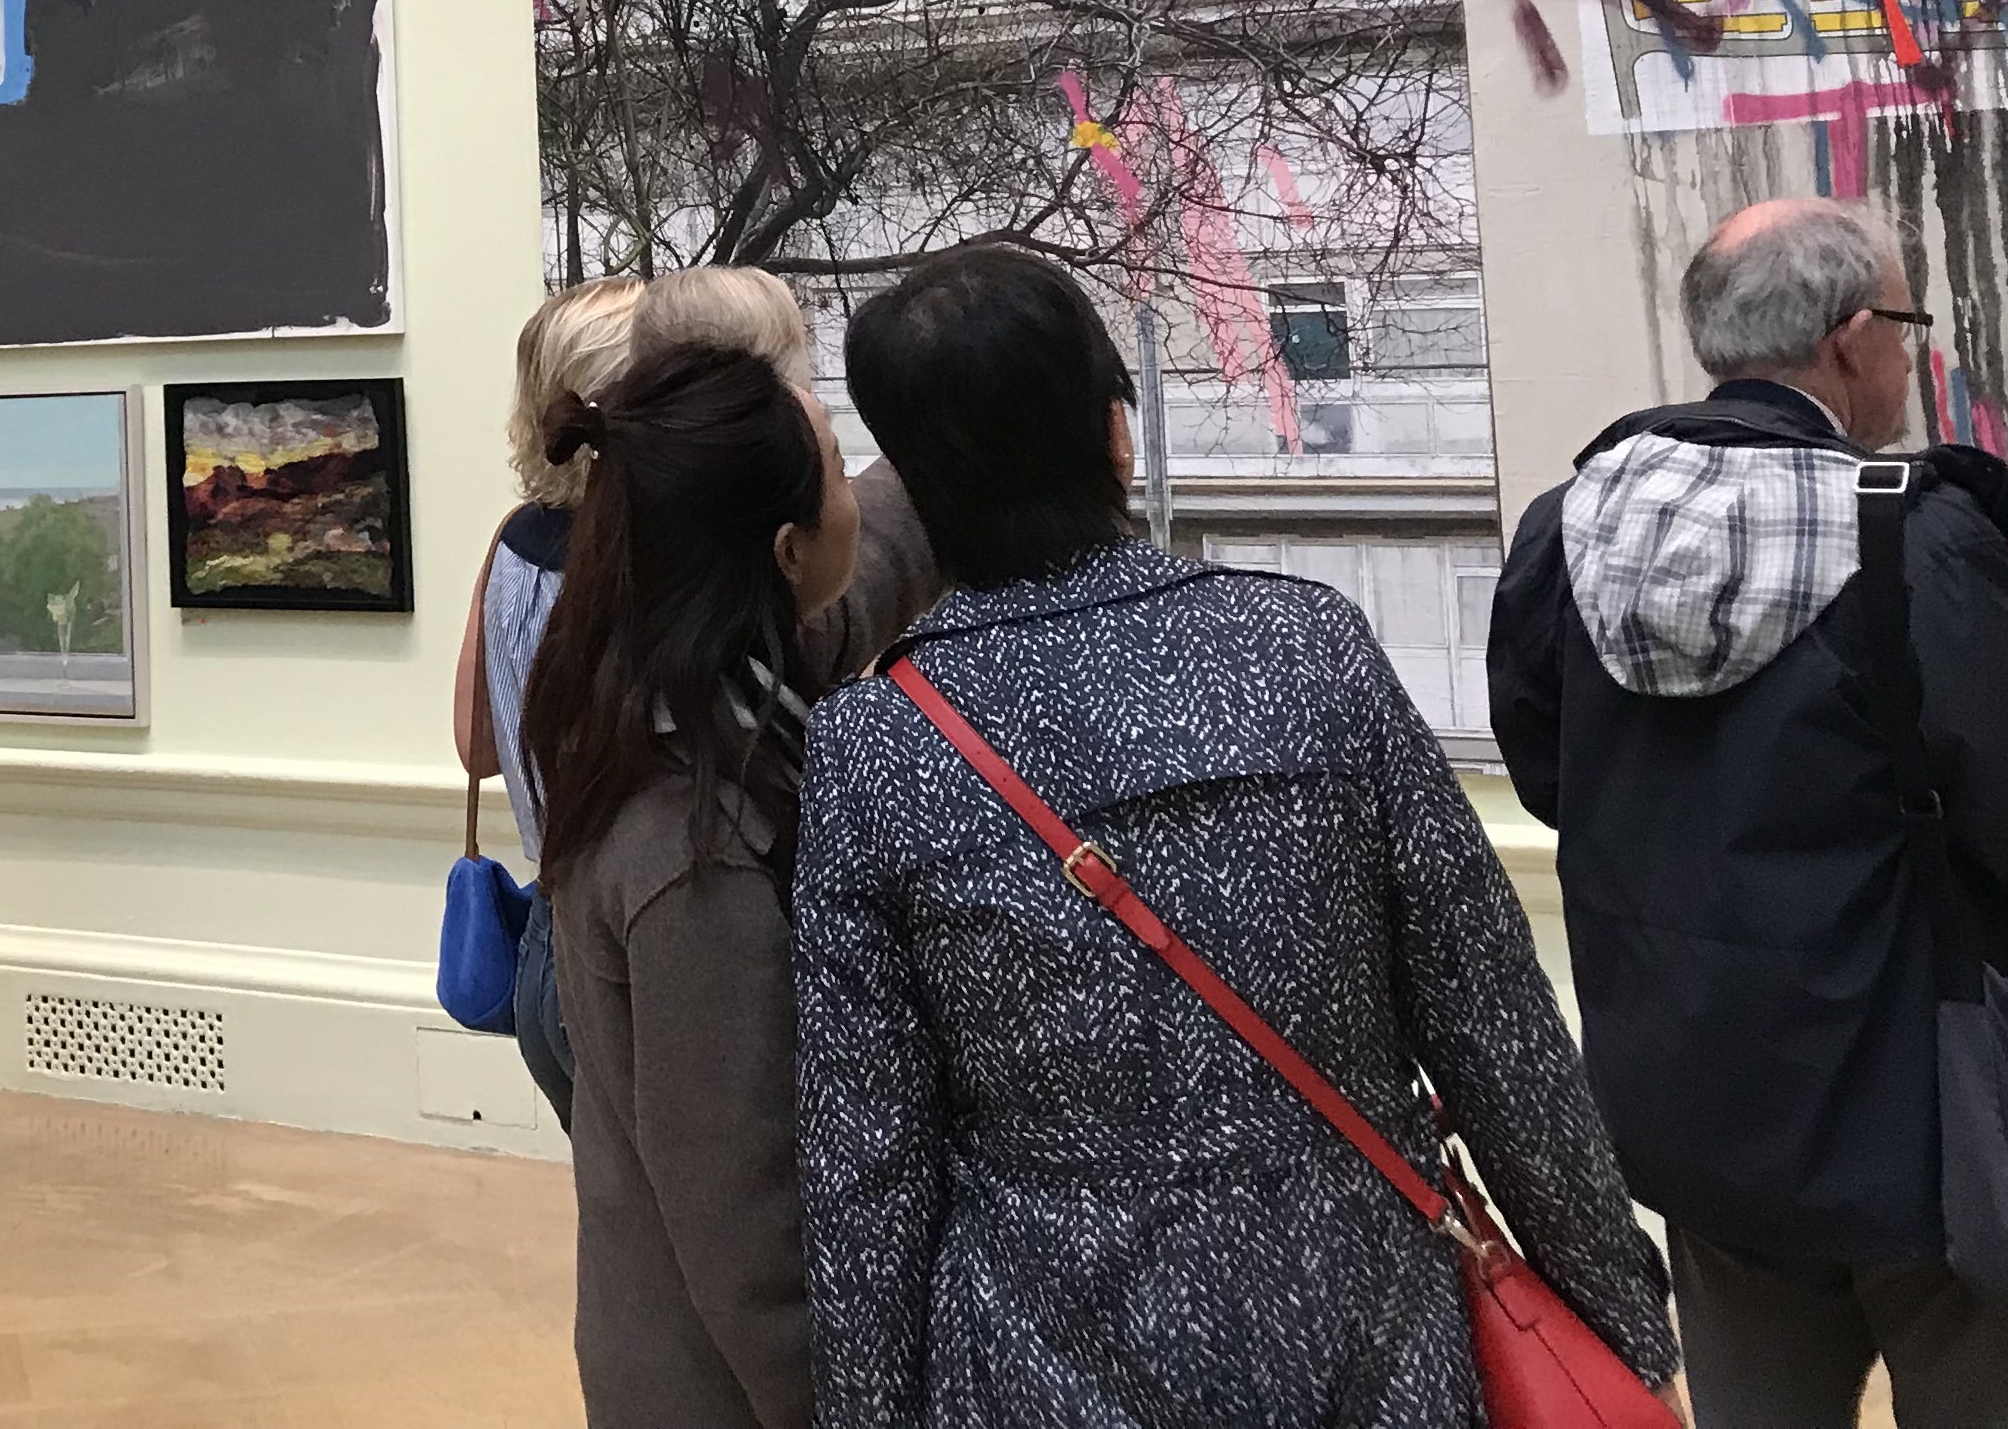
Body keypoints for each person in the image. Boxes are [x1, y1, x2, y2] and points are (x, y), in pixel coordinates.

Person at [796, 243, 1677, 1423]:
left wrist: (868, 1406)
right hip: (1366, 1318)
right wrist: (1621, 1325)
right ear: (1117, 432)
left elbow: (867, 1153)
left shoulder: (873, 743)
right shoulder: (1309, 649)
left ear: (911, 482)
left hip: (1038, 1347)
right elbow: (1491, 1021)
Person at [1490, 196, 2008, 1429]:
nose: (1912, 358)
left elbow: (1555, 780)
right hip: (1932, 1130)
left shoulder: (1569, 528)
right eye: (1908, 327)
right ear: (1848, 338)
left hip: (1699, 1124)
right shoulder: (1914, 535)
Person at [522, 264, 939, 1429]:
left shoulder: (682, 678)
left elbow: (872, 569)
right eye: (837, 467)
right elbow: (746, 1226)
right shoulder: (690, 853)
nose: (854, 487)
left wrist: (963, 417)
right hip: (723, 1390)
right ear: (787, 549)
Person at [447, 276, 638, 1126]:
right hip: (622, 961)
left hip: (544, 950)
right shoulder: (647, 561)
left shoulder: (512, 540)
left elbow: (478, 748)